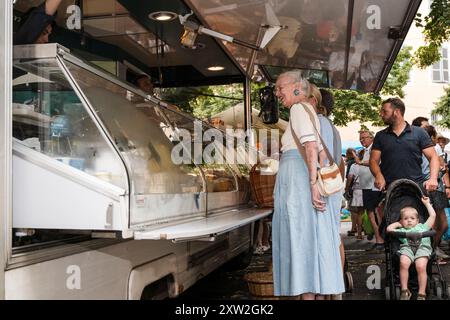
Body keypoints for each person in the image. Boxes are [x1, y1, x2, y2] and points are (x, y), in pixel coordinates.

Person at [272, 70, 344, 299]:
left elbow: (312, 147)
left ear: (296, 87)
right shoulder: (309, 111)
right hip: (302, 179)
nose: (276, 93)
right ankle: (315, 293)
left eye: (279, 88)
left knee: (300, 238)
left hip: (299, 181)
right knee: (310, 240)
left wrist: (313, 184)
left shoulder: (298, 108)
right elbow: (321, 152)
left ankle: (306, 293)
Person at [369, 97, 439, 195]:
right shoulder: (380, 135)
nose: (381, 115)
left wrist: (433, 178)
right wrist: (378, 175)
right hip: (389, 188)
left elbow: (433, 157)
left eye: (385, 112)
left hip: (415, 187)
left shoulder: (419, 133)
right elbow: (373, 160)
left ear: (396, 112)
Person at [386, 196, 436, 300]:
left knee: (420, 266)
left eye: (412, 218)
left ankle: (421, 294)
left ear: (417, 220)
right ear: (402, 221)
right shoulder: (401, 230)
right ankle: (405, 290)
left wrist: (427, 204)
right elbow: (389, 229)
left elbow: (432, 216)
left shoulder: (422, 227)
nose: (409, 221)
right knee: (403, 262)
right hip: (407, 248)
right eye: (405, 219)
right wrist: (398, 224)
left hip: (422, 248)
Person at [422, 126, 449, 262]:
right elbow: (442, 166)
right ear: (431, 137)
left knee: (437, 224)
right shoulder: (435, 148)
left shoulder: (422, 148)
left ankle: (432, 249)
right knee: (440, 224)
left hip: (432, 187)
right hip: (435, 188)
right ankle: (432, 251)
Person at [354, 130, 384, 251]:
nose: (362, 140)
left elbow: (376, 162)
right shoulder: (366, 150)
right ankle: (379, 238)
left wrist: (360, 162)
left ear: (371, 138)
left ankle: (380, 240)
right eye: (360, 138)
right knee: (372, 213)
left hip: (373, 186)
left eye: (364, 138)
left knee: (374, 213)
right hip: (367, 186)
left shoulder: (374, 149)